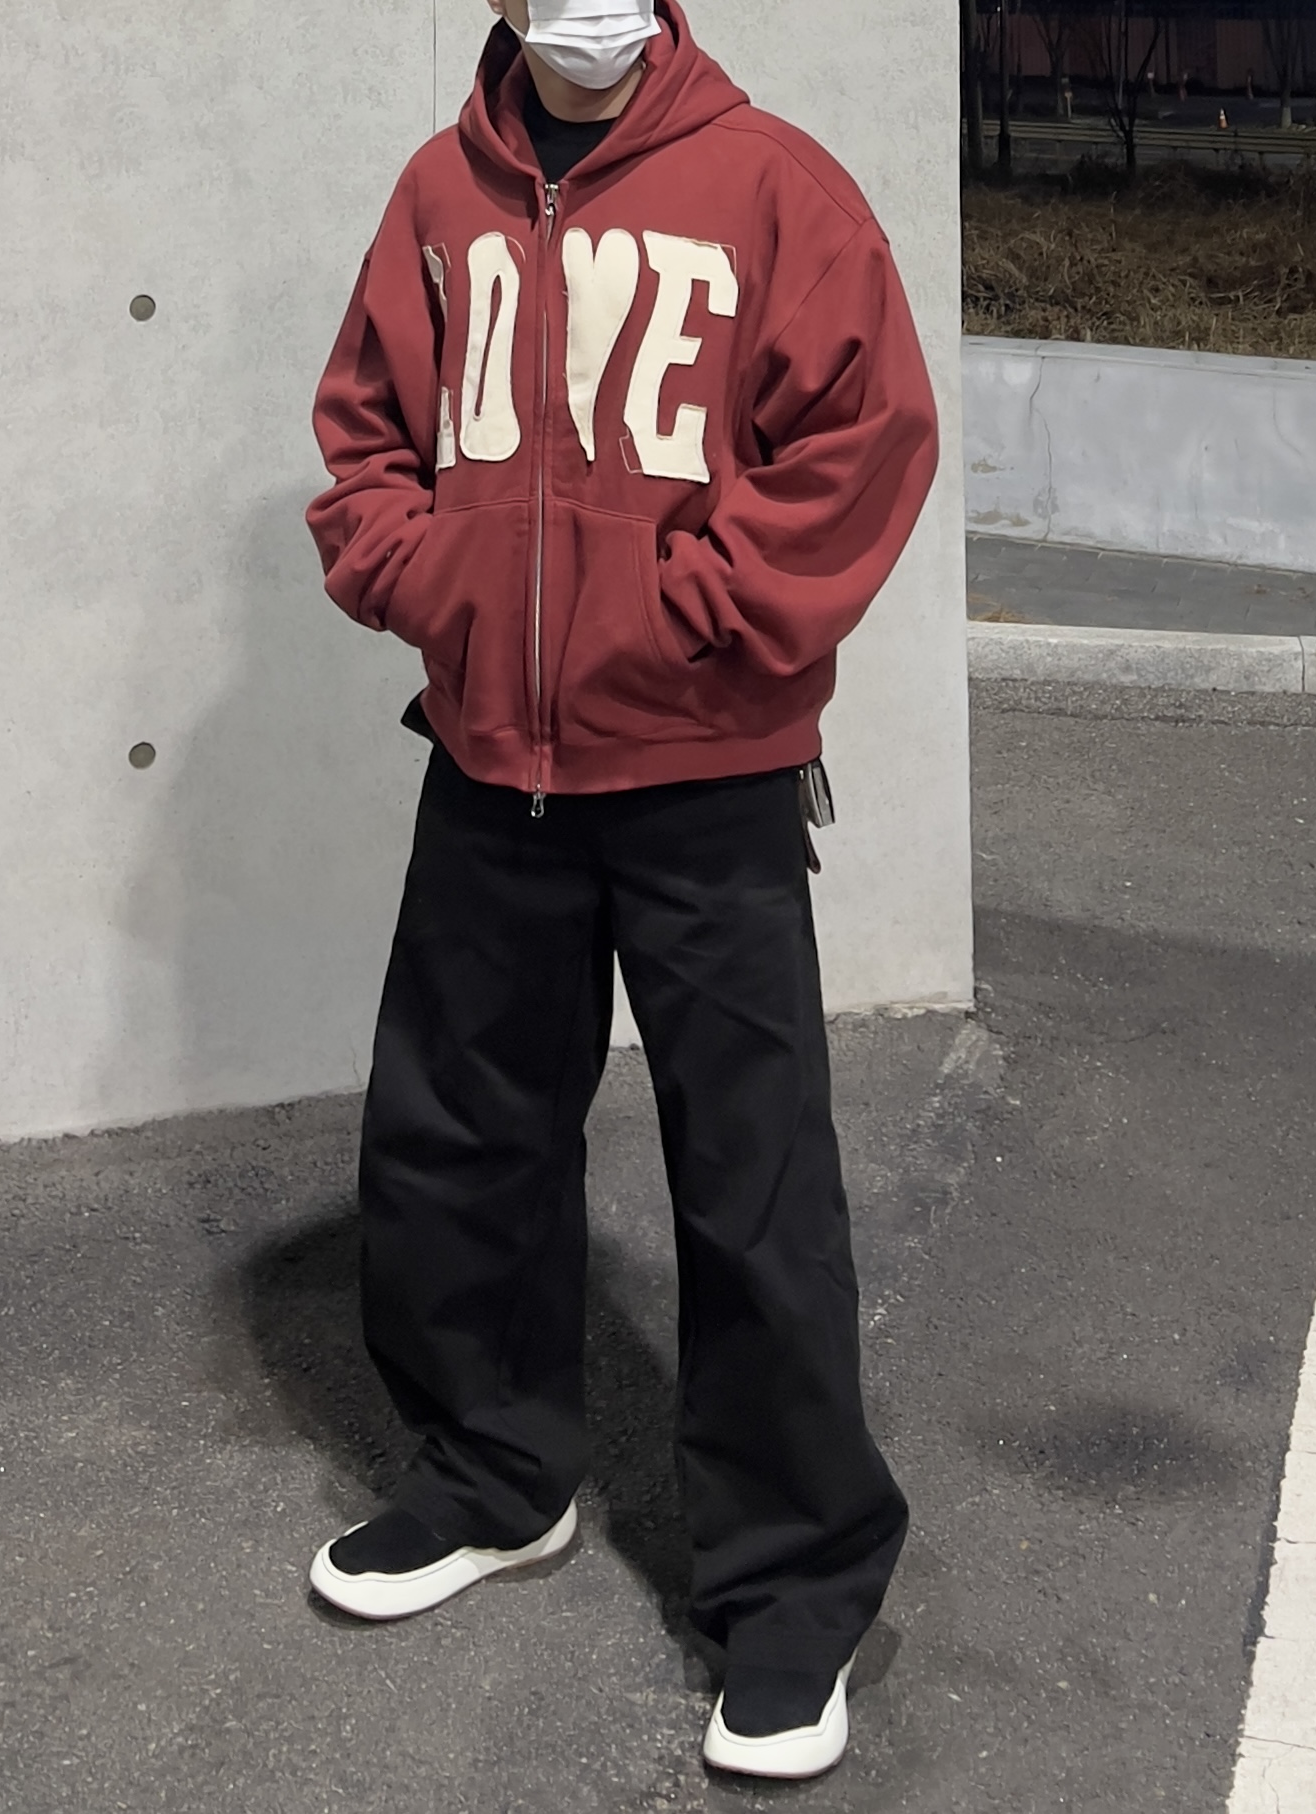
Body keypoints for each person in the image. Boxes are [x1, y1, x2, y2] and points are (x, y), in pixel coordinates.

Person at [304, 0, 937, 1780]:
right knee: (455, 1135)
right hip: (487, 761)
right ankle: (493, 1476)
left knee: (753, 1179)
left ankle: (792, 1590)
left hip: (705, 775)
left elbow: (861, 442)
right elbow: (365, 436)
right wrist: (434, 584)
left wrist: (681, 622)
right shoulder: (438, 194)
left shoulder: (776, 186)